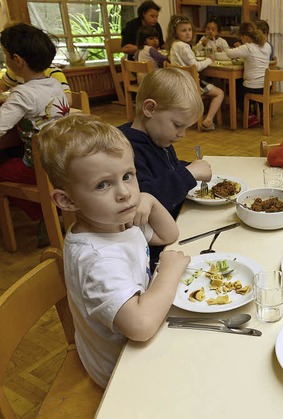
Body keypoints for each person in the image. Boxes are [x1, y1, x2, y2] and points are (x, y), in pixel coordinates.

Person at [38, 114, 190, 387]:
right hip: (120, 372)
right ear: (67, 200)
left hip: (137, 344)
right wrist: (170, 269)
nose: (125, 193)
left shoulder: (112, 221)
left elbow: (169, 235)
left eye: (128, 176)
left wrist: (151, 200)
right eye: (102, 184)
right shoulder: (97, 259)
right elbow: (141, 326)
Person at [118, 67, 211, 264]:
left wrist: (188, 166)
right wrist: (189, 173)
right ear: (150, 109)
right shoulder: (124, 149)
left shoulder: (158, 138)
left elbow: (166, 169)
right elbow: (144, 198)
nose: (182, 134)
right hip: (152, 251)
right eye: (178, 125)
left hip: (174, 226)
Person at [0, 23, 69, 242]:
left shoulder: (22, 94)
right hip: (64, 160)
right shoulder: (55, 85)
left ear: (17, 60)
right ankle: (55, 212)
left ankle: (44, 214)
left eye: (5, 55)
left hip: (39, 167)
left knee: (3, 170)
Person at [166, 14, 224, 131]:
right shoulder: (184, 47)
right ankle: (208, 120)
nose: (188, 33)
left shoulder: (174, 45)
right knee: (219, 93)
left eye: (189, 30)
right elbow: (195, 67)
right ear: (175, 32)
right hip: (191, 83)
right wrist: (209, 60)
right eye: (183, 30)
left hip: (179, 82)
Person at [226, 21, 272, 128]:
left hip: (253, 87)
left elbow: (229, 53)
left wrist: (240, 47)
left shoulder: (247, 47)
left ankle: (250, 116)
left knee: (236, 87)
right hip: (267, 86)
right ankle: (262, 115)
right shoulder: (267, 45)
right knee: (258, 85)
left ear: (245, 37)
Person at [1, 65, 72, 103]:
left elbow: (68, 101)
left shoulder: (53, 72)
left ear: (18, 59)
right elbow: (2, 87)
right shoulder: (14, 71)